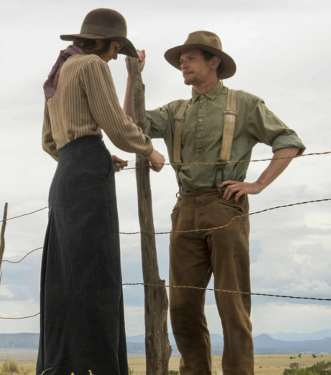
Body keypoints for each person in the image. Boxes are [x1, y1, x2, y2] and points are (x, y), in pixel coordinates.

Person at [123, 31, 305, 374]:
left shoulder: (244, 103)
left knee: (232, 302)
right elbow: (131, 122)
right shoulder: (176, 110)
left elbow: (289, 142)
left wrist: (258, 184)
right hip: (184, 209)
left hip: (225, 205)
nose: (183, 64)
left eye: (190, 58)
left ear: (213, 62)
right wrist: (134, 76)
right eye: (181, 60)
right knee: (182, 305)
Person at [38, 8, 166, 375]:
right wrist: (148, 149)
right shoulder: (93, 65)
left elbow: (49, 142)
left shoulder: (60, 71)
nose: (114, 56)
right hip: (88, 174)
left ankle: (62, 366)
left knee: (66, 273)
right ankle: (97, 366)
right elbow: (115, 123)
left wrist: (90, 154)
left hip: (65, 174)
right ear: (105, 42)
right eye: (115, 49)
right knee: (96, 272)